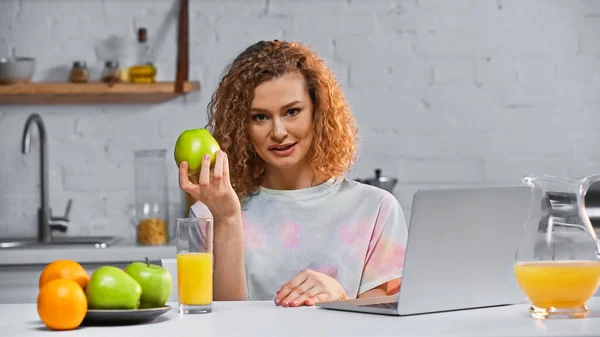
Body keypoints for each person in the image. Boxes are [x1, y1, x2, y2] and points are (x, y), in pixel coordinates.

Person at [178, 40, 408, 307]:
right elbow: (221, 325)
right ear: (242, 126)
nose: (278, 132)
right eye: (260, 117)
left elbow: (384, 328)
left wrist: (340, 297)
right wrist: (227, 218)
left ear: (318, 113)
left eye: (292, 112)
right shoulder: (208, 216)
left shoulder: (376, 209)